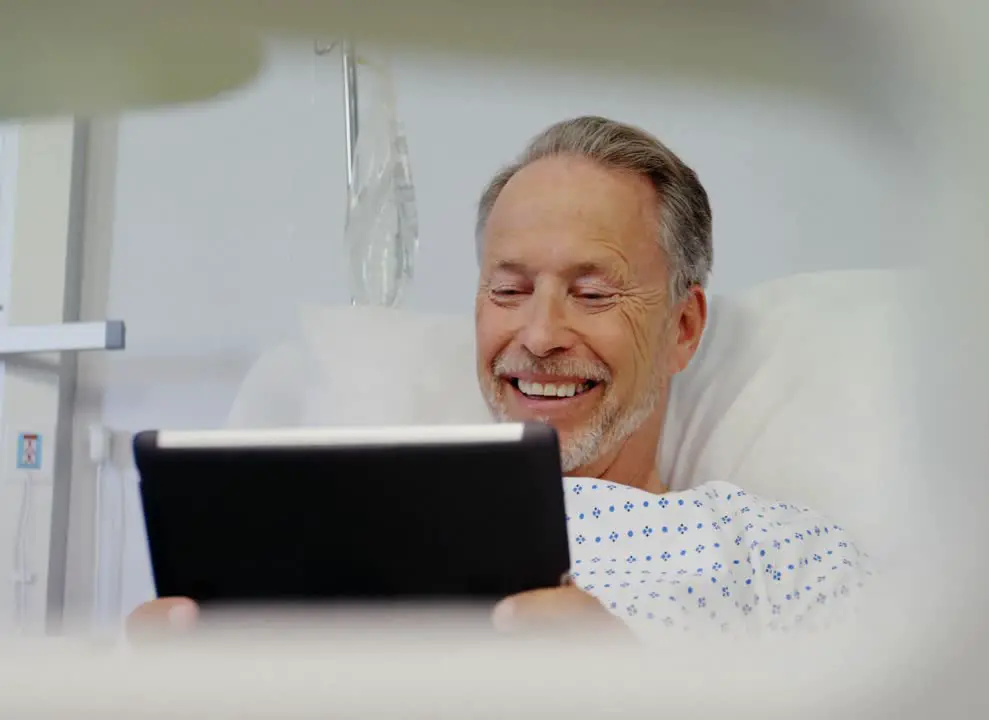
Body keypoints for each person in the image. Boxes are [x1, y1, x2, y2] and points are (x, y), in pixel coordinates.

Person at [129, 116, 864, 643]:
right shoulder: (337, 539)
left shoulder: (775, 556)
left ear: (683, 328)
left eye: (594, 293)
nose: (539, 337)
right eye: (509, 292)